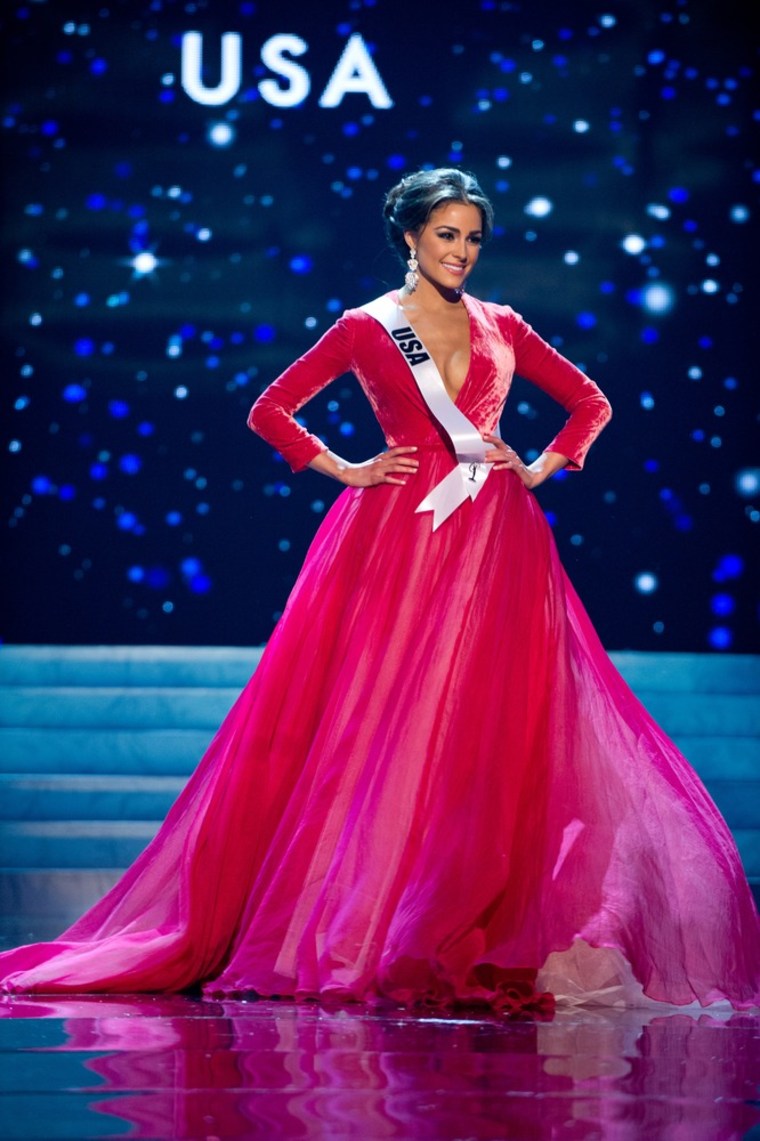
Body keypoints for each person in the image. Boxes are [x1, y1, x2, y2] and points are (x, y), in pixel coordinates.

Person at [0, 168, 757, 1013]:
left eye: (472, 237)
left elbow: (588, 401)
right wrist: (345, 467)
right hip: (399, 533)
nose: (462, 252)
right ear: (409, 236)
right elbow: (271, 408)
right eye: (446, 235)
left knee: (484, 726)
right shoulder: (368, 328)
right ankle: (365, 918)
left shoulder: (503, 324)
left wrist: (539, 467)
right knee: (386, 720)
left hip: (498, 541)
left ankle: (462, 909)